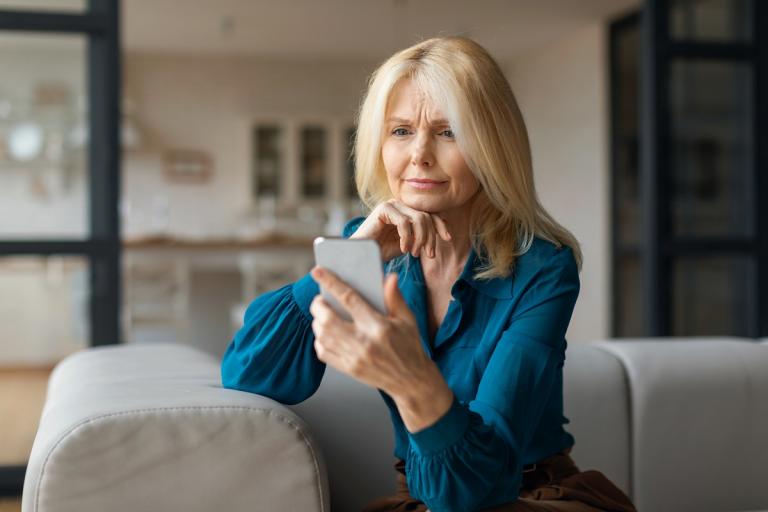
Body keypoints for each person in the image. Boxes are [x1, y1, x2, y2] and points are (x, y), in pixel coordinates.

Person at [221, 36, 636, 512]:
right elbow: (249, 374)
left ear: (492, 146)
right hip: (423, 495)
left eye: (447, 132)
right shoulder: (367, 247)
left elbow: (481, 483)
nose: (418, 154)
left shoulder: (543, 268)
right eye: (400, 131)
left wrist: (410, 379)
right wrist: (351, 258)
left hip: (526, 494)